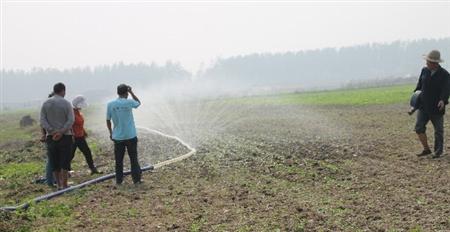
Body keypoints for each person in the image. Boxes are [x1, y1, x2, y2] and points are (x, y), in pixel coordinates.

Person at [413, 50, 450, 158]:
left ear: (435, 63)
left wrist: (443, 100)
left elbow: (446, 90)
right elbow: (419, 86)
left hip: (437, 107)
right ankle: (426, 149)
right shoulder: (424, 71)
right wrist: (414, 100)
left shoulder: (445, 75)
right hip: (423, 106)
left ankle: (438, 152)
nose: (426, 63)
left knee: (438, 131)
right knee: (419, 127)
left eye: (428, 61)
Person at [40, 82, 74, 190]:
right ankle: (65, 184)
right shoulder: (66, 103)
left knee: (54, 161)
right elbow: (71, 120)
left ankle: (58, 185)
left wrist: (52, 131)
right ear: (63, 91)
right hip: (65, 136)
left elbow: (42, 120)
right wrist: (61, 132)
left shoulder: (45, 104)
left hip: (51, 137)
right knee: (65, 161)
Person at [106, 84, 142, 184]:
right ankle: (136, 180)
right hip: (130, 135)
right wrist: (132, 92)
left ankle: (119, 180)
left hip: (118, 137)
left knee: (119, 160)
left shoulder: (110, 104)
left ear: (117, 93)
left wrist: (111, 133)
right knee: (133, 159)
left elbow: (108, 120)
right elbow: (138, 103)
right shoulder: (129, 102)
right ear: (126, 93)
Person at [69, 95, 102, 175]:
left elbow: (80, 124)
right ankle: (65, 171)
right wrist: (72, 135)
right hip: (73, 137)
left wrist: (84, 131)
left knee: (87, 152)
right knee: (70, 155)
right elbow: (69, 125)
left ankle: (93, 169)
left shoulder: (78, 113)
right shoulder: (71, 113)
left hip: (80, 136)